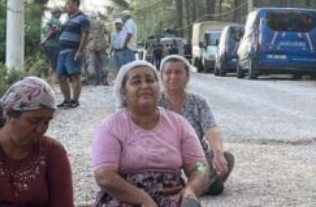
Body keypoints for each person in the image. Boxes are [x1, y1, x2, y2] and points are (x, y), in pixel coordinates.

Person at [91, 61, 208, 207]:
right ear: (124, 92)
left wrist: (191, 189)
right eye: (136, 82)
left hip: (171, 196)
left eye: (150, 80)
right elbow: (104, 176)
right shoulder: (111, 127)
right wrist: (144, 199)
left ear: (158, 88)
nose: (145, 85)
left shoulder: (180, 124)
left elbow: (201, 167)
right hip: (125, 198)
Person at [0, 76, 73, 207]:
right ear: (9, 113)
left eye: (47, 122)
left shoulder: (53, 152)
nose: (41, 129)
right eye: (34, 121)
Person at [158, 55, 234, 196]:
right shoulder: (155, 102)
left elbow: (211, 127)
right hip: (166, 161)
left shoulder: (197, 102)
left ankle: (189, 186)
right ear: (161, 77)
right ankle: (199, 187)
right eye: (168, 72)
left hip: (195, 162)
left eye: (178, 72)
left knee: (224, 160)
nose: (173, 76)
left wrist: (217, 152)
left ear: (187, 77)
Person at [56, 0, 90, 108]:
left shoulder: (83, 18)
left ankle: (75, 101)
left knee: (75, 75)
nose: (67, 5)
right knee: (61, 76)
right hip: (62, 52)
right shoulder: (68, 20)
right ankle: (66, 100)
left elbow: (85, 35)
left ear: (75, 4)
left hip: (73, 51)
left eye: (68, 3)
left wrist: (80, 51)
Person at [85, 12, 110, 86]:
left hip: (91, 45)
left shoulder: (87, 23)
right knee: (104, 63)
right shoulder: (101, 23)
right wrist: (108, 42)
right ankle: (104, 80)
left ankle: (93, 81)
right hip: (102, 45)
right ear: (96, 16)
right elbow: (107, 32)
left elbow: (84, 34)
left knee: (91, 63)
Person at [40, 6, 63, 77]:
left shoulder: (48, 22)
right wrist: (46, 39)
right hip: (54, 46)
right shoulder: (56, 21)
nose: (61, 14)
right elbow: (54, 31)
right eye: (60, 13)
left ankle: (50, 82)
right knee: (54, 66)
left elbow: (44, 33)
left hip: (48, 46)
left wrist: (44, 41)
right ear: (56, 13)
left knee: (50, 64)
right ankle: (51, 83)